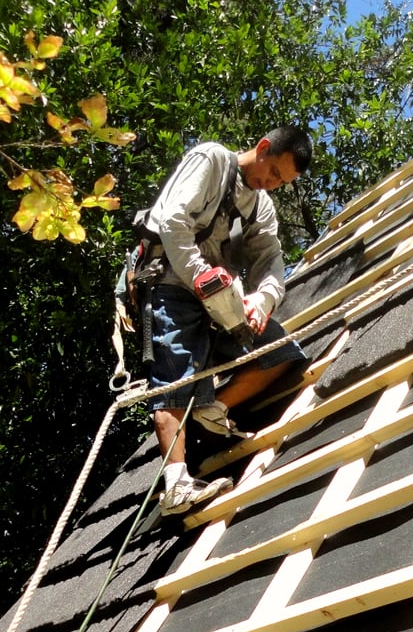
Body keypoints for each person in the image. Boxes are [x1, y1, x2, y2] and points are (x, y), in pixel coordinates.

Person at [132, 126, 312, 516]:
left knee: (282, 353)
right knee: (176, 376)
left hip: (216, 301)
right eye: (275, 174)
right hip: (172, 283)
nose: (273, 185)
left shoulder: (260, 207)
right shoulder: (211, 160)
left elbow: (270, 262)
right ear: (263, 148)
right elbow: (174, 220)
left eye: (282, 182)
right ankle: (176, 484)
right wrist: (200, 274)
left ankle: (213, 409)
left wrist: (261, 301)